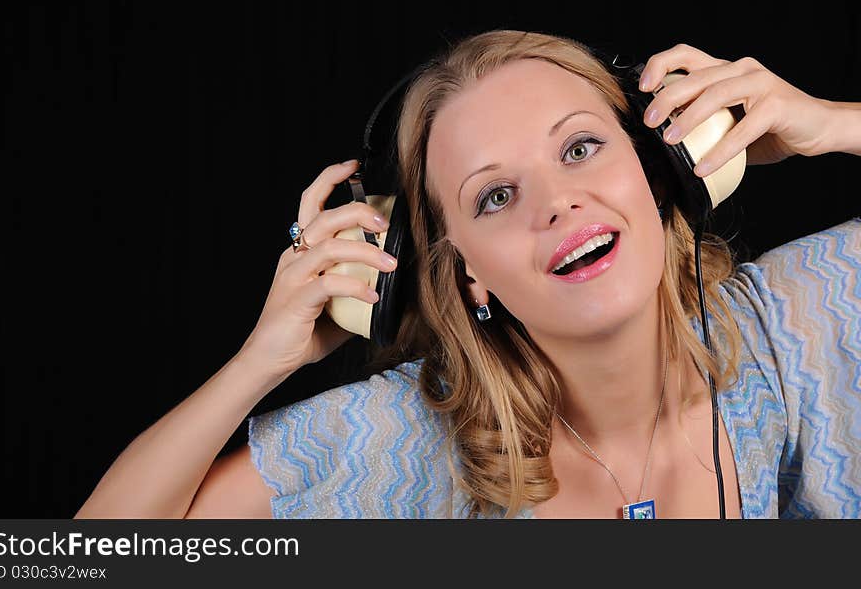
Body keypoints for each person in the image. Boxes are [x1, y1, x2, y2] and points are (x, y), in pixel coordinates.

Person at [75, 30, 861, 520]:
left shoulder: (794, 326)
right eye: (494, 195)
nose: (557, 201)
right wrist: (263, 359)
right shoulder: (410, 441)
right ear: (469, 276)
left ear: (666, 173)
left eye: (581, 147)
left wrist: (829, 122)